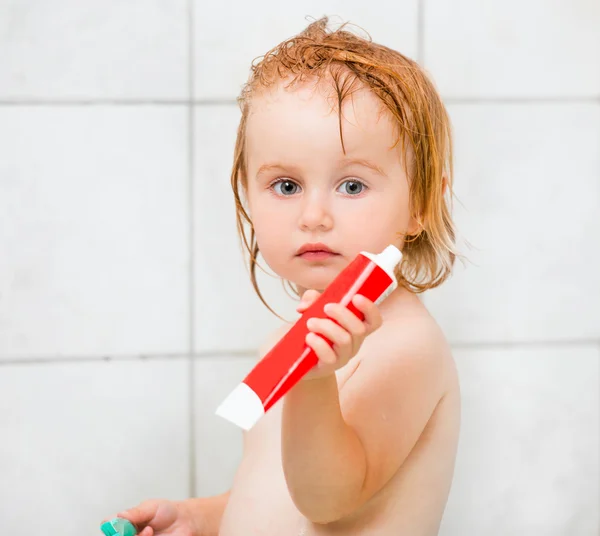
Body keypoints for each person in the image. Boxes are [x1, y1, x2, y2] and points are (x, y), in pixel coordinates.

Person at [103, 16, 461, 536]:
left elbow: (327, 499)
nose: (314, 214)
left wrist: (312, 383)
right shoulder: (285, 341)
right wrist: (201, 517)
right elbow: (277, 492)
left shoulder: (407, 344)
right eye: (287, 185)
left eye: (353, 186)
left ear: (421, 204)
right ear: (247, 194)